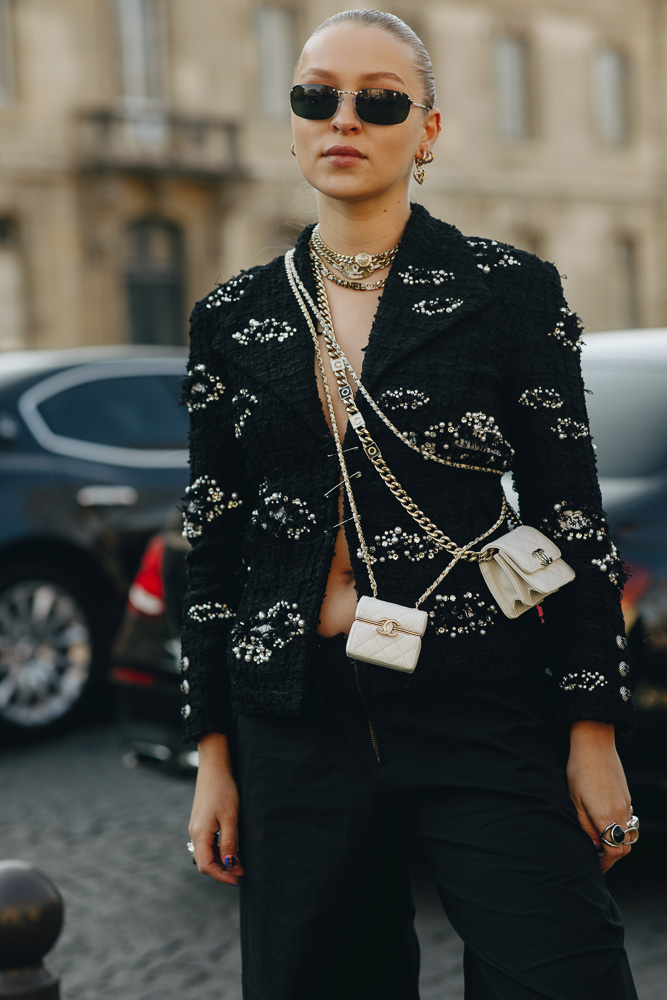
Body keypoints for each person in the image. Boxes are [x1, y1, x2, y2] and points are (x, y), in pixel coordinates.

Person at [182, 10, 639, 999]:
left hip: (476, 697)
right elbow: (212, 547)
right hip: (295, 720)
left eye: (379, 100)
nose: (344, 118)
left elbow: (573, 521)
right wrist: (213, 754)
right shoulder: (231, 317)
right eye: (317, 95)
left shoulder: (509, 292)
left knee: (565, 973)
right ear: (296, 118)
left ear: (425, 129)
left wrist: (591, 732)